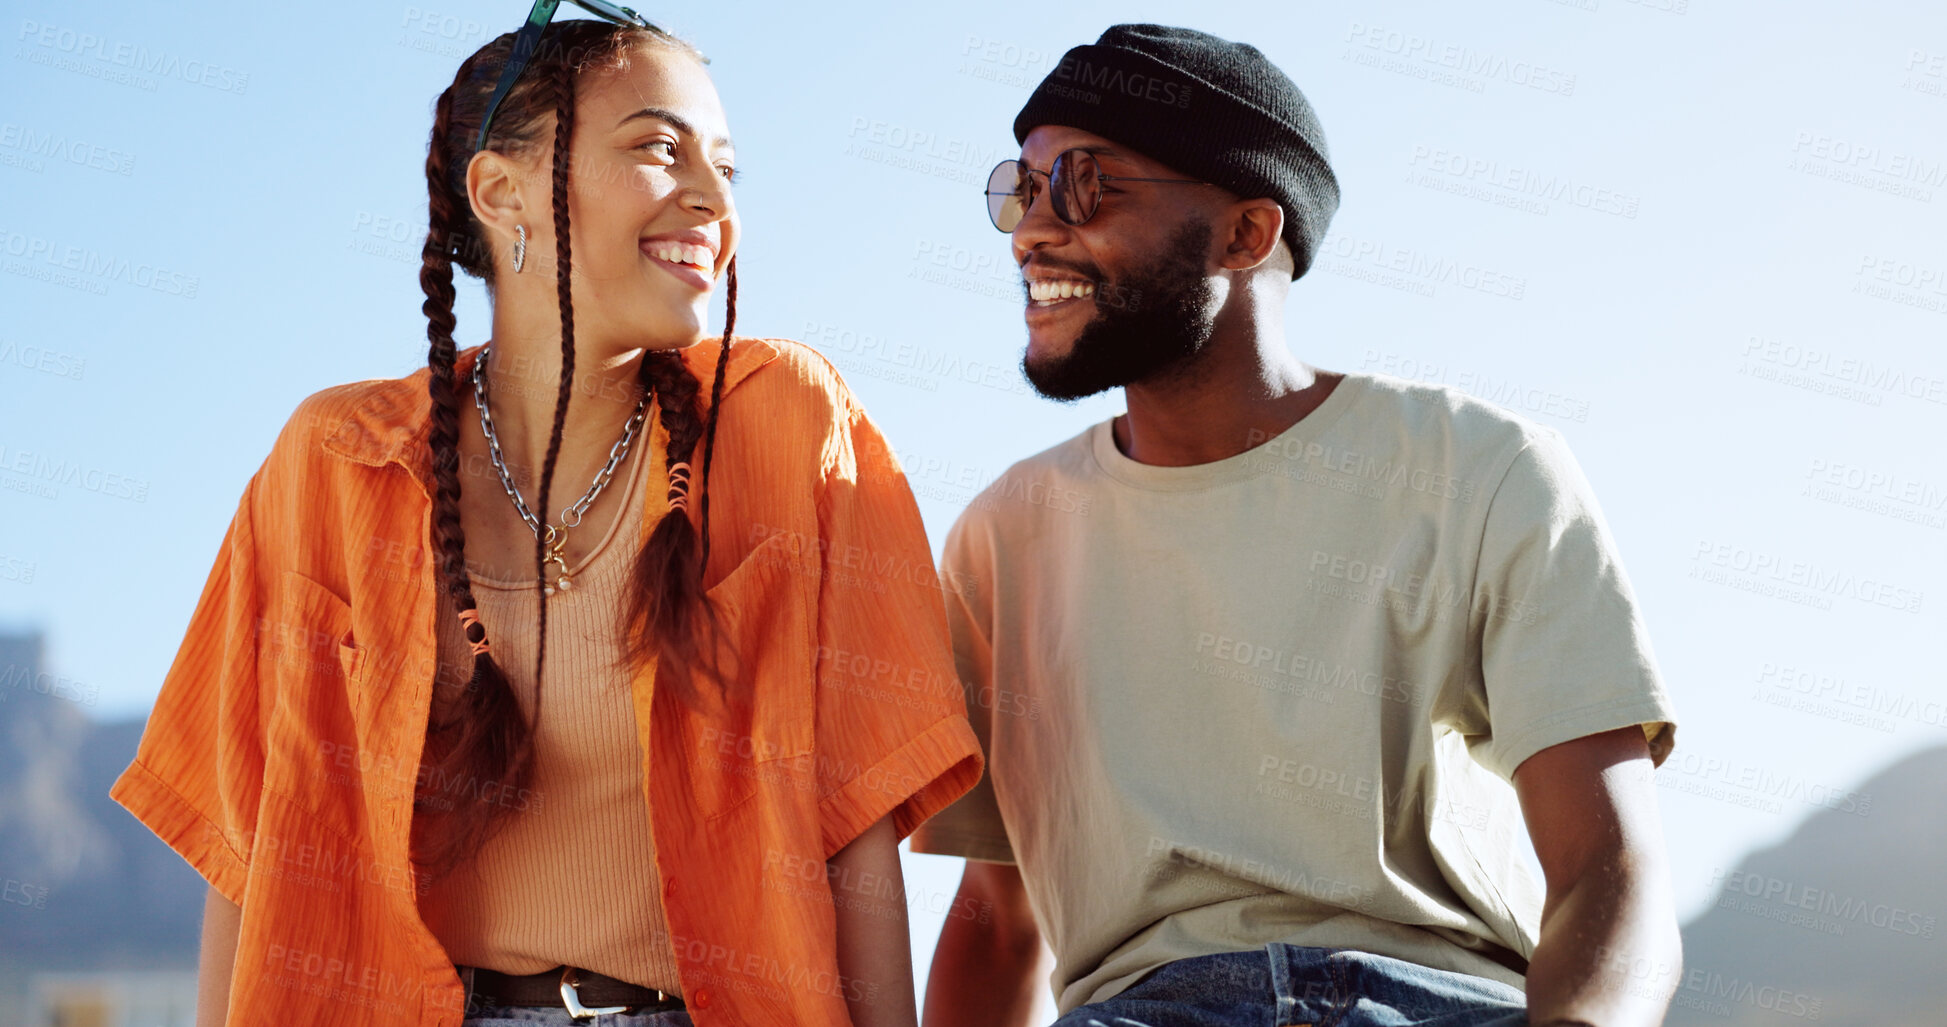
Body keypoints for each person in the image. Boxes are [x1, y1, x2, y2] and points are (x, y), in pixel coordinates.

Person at [109, 9, 982, 1027]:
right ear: (500, 190)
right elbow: (250, 847)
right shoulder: (331, 459)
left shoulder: (785, 419)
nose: (712, 198)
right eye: (660, 146)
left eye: (728, 167)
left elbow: (854, 827)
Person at [912, 23, 1681, 1027]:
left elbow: (1609, 868)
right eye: (1020, 189)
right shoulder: (998, 540)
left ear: (1245, 234)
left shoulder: (1481, 466)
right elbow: (997, 919)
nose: (1030, 231)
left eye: (1085, 186)